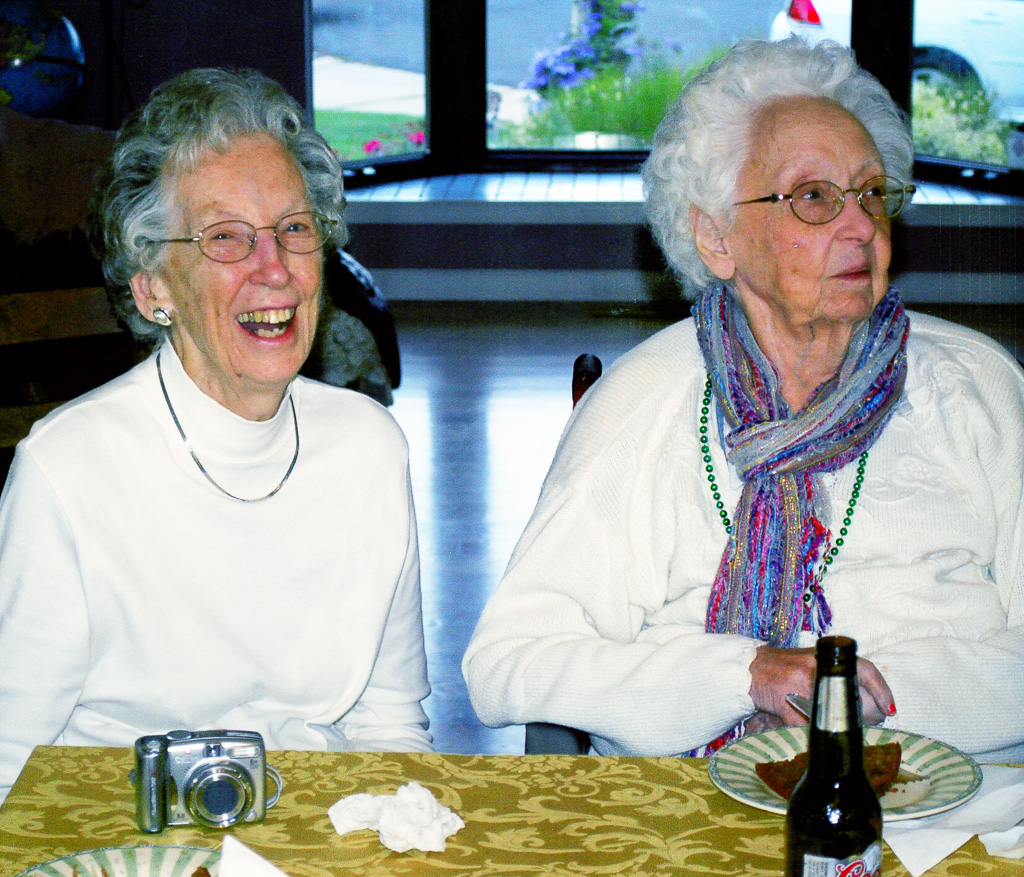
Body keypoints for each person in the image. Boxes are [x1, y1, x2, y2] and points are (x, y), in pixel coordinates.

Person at [463, 37, 1024, 762]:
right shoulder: (645, 401)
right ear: (715, 237)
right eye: (813, 197)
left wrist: (859, 701)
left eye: (872, 193)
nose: (861, 226)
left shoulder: (979, 389)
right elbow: (510, 660)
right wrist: (740, 676)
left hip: (958, 800)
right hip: (692, 801)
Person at [0, 67, 432, 804]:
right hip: (131, 834)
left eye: (295, 229)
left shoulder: (370, 448)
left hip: (320, 831)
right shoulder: (69, 470)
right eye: (225, 238)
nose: (275, 270)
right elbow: (11, 762)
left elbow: (391, 724)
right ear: (153, 288)